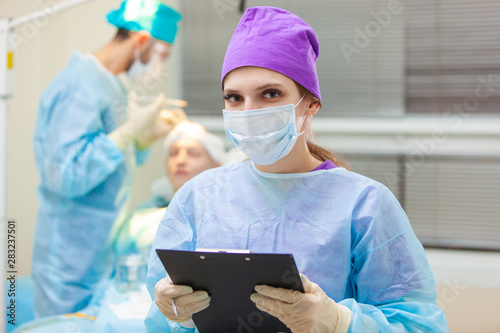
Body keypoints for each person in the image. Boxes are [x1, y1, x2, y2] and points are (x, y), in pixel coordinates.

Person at [145, 6, 449, 333]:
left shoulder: (365, 204)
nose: (249, 112)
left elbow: (418, 325)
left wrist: (340, 323)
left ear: (311, 104)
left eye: (270, 94)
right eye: (234, 98)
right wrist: (174, 313)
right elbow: (160, 316)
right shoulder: (198, 197)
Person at [32, 0, 183, 318]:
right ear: (142, 41)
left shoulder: (112, 85)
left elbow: (108, 164)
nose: (160, 68)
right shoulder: (79, 86)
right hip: (68, 262)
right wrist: (128, 132)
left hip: (94, 253)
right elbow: (64, 175)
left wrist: (141, 138)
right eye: (162, 56)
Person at [114, 121, 227, 259]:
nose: (180, 160)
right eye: (174, 153)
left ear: (216, 166)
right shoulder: (143, 218)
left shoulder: (225, 218)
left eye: (193, 153)